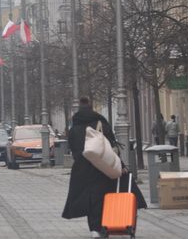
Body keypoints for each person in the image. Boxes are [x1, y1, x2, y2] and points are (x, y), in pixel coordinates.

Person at [62, 96, 147, 238]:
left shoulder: (74, 129)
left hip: (82, 169)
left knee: (90, 199)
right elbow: (111, 148)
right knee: (104, 196)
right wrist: (120, 165)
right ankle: (106, 224)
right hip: (102, 167)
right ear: (91, 108)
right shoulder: (101, 123)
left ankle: (94, 229)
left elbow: (73, 149)